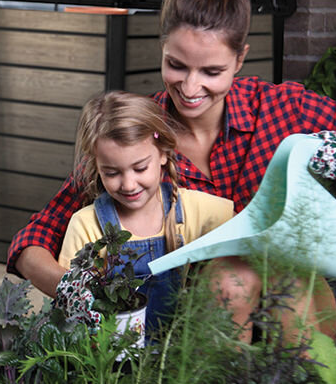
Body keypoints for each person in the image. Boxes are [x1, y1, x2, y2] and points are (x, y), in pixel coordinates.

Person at [9, 0, 336, 341]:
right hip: (185, 323)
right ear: (161, 49)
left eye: (211, 71)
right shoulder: (139, 133)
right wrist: (72, 288)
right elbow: (36, 235)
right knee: (230, 281)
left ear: (240, 59)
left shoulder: (284, 109)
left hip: (290, 304)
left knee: (294, 301)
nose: (191, 87)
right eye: (176, 65)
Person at [56, 90, 234, 336]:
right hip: (110, 355)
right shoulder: (86, 225)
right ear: (95, 165)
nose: (128, 185)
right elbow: (71, 301)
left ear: (162, 153)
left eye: (140, 168)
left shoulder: (197, 209)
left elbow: (247, 232)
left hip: (176, 356)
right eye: (111, 173)